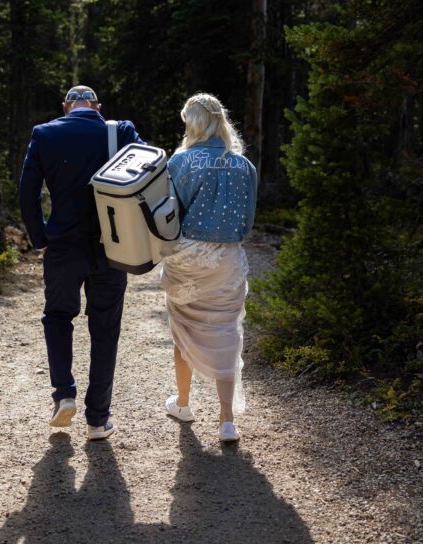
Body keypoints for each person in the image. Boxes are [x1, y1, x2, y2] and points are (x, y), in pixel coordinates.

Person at [18, 85, 144, 441]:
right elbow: (149, 173)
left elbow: (26, 193)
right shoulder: (120, 131)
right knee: (105, 328)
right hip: (114, 247)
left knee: (58, 317)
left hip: (63, 246)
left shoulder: (44, 134)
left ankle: (64, 393)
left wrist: (40, 237)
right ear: (97, 108)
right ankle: (97, 420)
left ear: (65, 107)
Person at [160, 93, 257, 443]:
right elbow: (247, 223)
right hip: (227, 260)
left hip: (186, 258)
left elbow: (167, 216)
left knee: (183, 329)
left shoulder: (181, 162)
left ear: (194, 124)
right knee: (226, 332)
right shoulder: (244, 166)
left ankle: (183, 404)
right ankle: (227, 420)